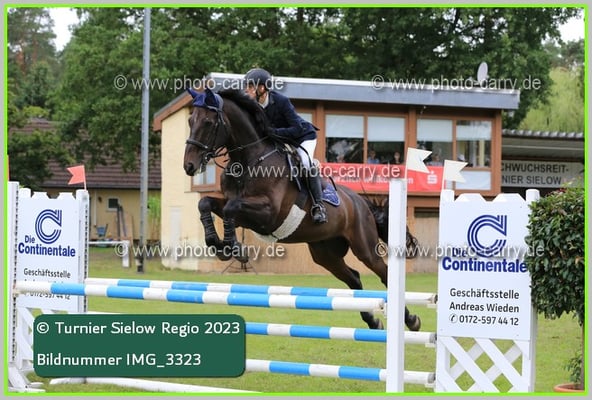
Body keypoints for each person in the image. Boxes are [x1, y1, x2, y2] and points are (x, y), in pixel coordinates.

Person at [244, 68, 327, 224]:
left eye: (250, 86)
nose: (246, 90)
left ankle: (319, 206)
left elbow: (297, 128)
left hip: (302, 137)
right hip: (280, 140)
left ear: (262, 88)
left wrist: (273, 132)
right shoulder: (252, 106)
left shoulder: (281, 101)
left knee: (305, 163)